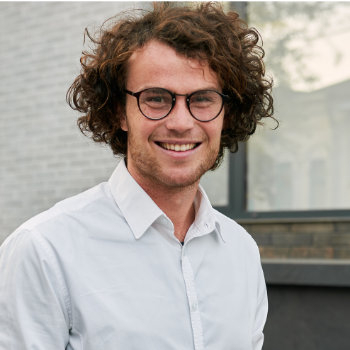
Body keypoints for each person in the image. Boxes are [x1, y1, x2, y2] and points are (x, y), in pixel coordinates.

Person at [0, 2, 275, 350]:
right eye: (157, 98)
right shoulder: (43, 251)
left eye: (203, 99)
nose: (180, 122)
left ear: (227, 114)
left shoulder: (241, 252)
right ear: (119, 112)